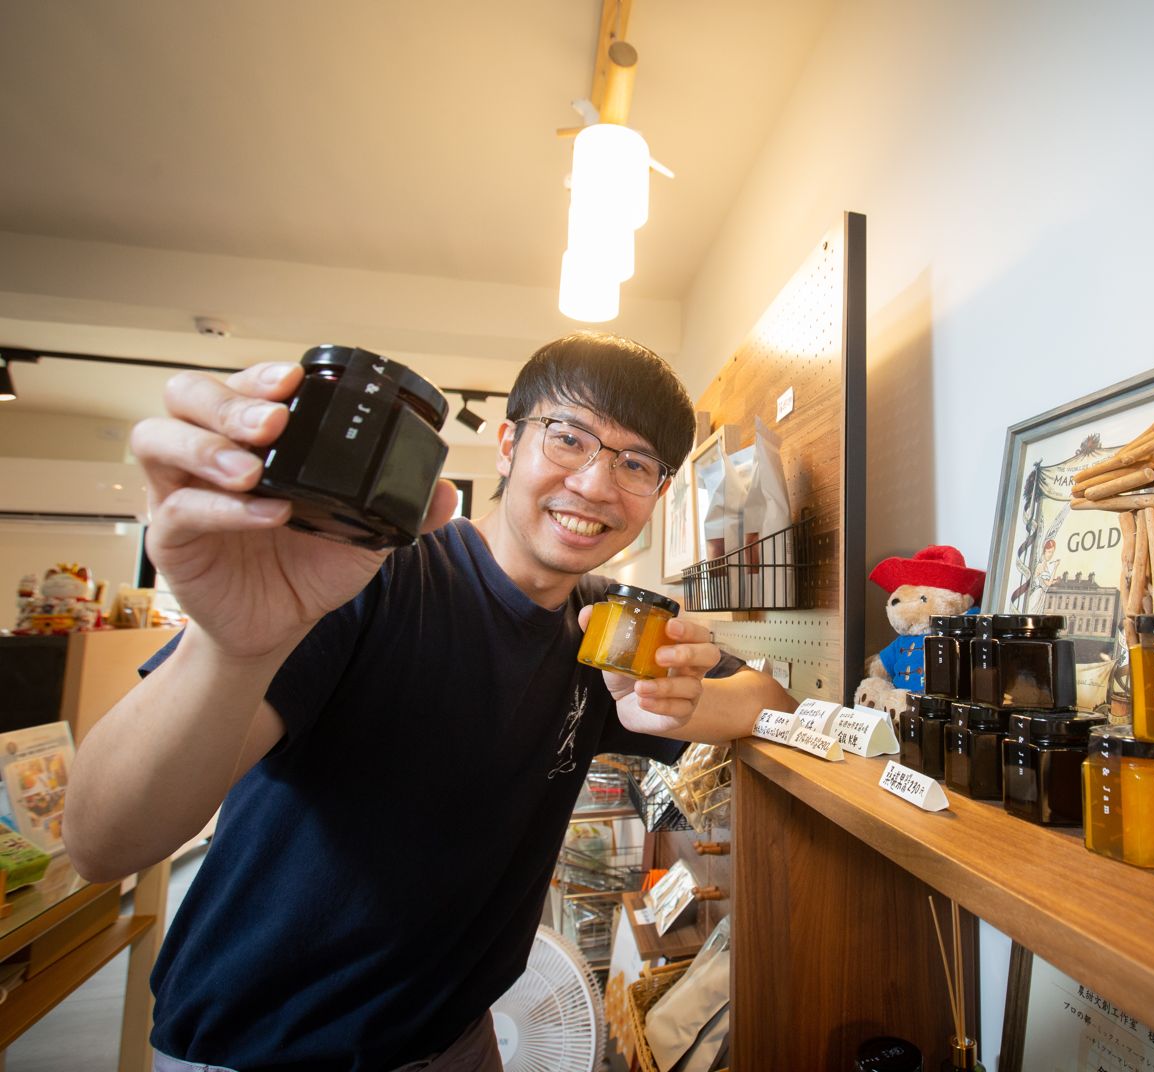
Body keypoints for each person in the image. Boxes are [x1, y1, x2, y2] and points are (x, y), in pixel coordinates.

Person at [64, 333, 795, 1072]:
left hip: (458, 1041)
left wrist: (680, 706)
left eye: (635, 464)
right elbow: (102, 845)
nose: (596, 485)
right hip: (259, 1048)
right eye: (569, 437)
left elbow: (773, 700)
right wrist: (229, 649)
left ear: (658, 493)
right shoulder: (365, 577)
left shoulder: (609, 627)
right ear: (507, 444)